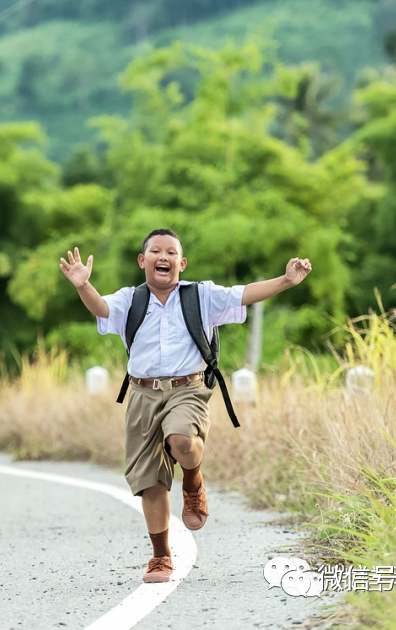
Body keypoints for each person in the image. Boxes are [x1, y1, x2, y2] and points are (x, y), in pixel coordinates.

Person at [59, 228, 312, 583]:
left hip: (188, 389)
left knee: (182, 440)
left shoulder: (201, 296)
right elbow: (100, 308)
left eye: (171, 252)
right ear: (142, 261)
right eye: (156, 252)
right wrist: (83, 285)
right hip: (142, 394)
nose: (163, 257)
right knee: (151, 483)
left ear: (182, 262)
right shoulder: (129, 300)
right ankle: (161, 557)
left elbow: (244, 294)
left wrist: (286, 280)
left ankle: (193, 481)